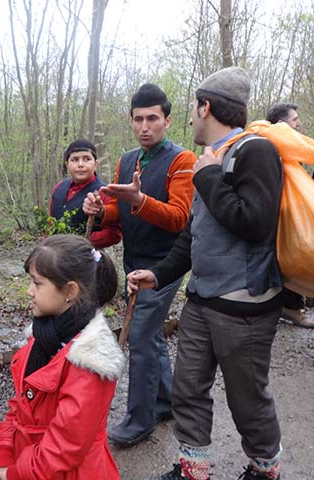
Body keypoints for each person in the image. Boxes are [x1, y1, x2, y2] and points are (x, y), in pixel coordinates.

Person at [132, 66, 284, 480]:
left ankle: (263, 467)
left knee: (247, 398)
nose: (192, 117)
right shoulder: (209, 160)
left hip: (245, 307)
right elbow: (194, 235)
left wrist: (210, 176)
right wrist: (159, 274)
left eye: (194, 108)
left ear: (206, 106)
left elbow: (254, 222)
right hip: (201, 301)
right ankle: (193, 468)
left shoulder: (257, 152)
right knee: (188, 390)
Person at [82, 84, 196, 448]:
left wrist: (140, 199)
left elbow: (179, 218)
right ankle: (165, 403)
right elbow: (119, 212)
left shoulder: (183, 161)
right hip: (134, 258)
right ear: (131, 121)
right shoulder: (128, 160)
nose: (145, 126)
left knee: (143, 337)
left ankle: (139, 419)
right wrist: (101, 212)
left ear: (167, 120)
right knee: (151, 336)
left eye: (152, 118)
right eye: (138, 119)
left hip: (165, 263)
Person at [0, 234, 125, 480]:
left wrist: (16, 473)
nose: (29, 291)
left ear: (69, 291)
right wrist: (6, 452)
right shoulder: (43, 336)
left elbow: (66, 445)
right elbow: (20, 405)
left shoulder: (89, 361)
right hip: (34, 467)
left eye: (37, 283)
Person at [266, 103, 314, 328]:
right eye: (295, 119)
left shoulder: (287, 144)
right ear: (281, 124)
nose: (299, 123)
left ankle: (291, 305)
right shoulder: (275, 140)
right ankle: (291, 307)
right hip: (278, 215)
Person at [49, 139, 122, 248]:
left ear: (96, 164)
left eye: (87, 159)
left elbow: (114, 234)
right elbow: (50, 222)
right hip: (56, 255)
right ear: (67, 164)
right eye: (74, 160)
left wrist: (83, 241)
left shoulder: (104, 192)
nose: (80, 164)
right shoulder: (59, 187)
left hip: (87, 258)